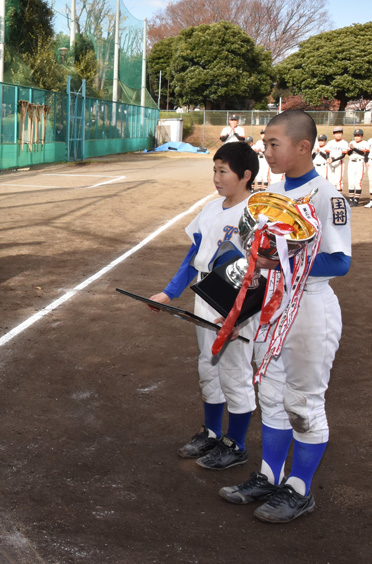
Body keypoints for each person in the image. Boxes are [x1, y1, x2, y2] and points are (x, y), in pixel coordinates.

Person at [219, 110, 351, 524]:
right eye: (265, 144)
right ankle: (269, 476)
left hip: (309, 307)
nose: (266, 152)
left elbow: (340, 262)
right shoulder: (270, 194)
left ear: (303, 146)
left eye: (274, 144)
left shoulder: (327, 196)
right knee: (272, 397)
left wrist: (280, 262)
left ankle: (299, 489)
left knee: (303, 402)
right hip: (272, 305)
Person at [148, 142, 258, 470]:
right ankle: (211, 433)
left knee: (235, 371)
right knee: (208, 366)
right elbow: (194, 255)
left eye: (223, 171)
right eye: (215, 170)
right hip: (206, 294)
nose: (216, 178)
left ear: (246, 175)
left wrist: (240, 312)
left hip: (236, 298)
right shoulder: (211, 209)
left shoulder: (257, 212)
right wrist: (169, 293)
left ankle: (236, 444)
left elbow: (261, 269)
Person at [347, 128, 368, 206]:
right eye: (355, 135)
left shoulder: (365, 143)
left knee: (358, 182)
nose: (357, 137)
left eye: (358, 136)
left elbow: (363, 153)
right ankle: (351, 199)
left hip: (360, 163)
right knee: (351, 181)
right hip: (351, 163)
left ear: (362, 136)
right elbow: (349, 153)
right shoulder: (352, 142)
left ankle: (356, 200)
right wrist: (351, 149)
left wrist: (354, 148)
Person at [325, 127, 348, 192]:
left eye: (340, 133)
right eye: (336, 133)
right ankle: (332, 195)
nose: (338, 135)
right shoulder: (330, 142)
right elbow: (327, 152)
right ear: (333, 134)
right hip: (330, 162)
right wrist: (328, 158)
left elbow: (343, 155)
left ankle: (338, 196)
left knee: (338, 181)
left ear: (342, 134)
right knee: (331, 181)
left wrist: (333, 160)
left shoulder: (344, 143)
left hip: (339, 162)